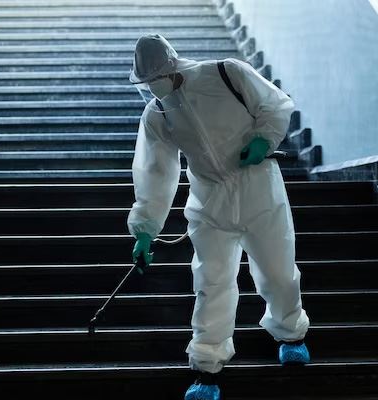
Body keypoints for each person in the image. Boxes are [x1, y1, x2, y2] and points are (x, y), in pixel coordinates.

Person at [127, 34, 311, 400]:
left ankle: (291, 334)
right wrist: (145, 229)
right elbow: (155, 171)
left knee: (278, 271)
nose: (153, 86)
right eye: (147, 81)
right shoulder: (158, 114)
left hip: (259, 189)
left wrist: (263, 139)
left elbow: (274, 104)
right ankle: (206, 367)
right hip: (209, 203)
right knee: (212, 283)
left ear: (172, 65)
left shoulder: (227, 73)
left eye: (156, 77)